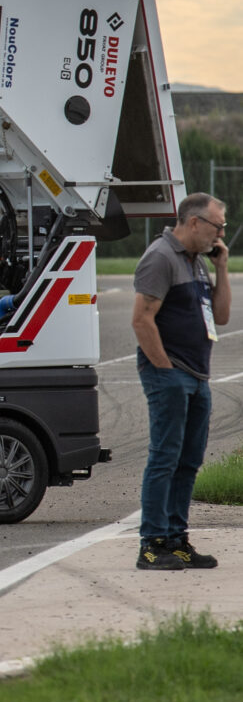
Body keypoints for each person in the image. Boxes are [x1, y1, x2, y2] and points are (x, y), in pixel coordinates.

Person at [132, 193, 230, 572]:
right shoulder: (160, 257)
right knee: (165, 458)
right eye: (217, 226)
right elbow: (141, 319)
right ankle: (152, 543)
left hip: (196, 375)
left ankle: (176, 538)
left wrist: (222, 268)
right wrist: (166, 371)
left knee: (188, 460)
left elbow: (220, 317)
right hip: (170, 375)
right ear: (194, 223)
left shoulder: (196, 261)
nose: (220, 233)